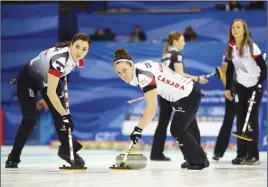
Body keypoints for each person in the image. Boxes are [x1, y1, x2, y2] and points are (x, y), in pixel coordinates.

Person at [113, 48, 209, 170]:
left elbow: (152, 108)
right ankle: (192, 158)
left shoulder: (143, 75)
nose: (123, 75)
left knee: (177, 129)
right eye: (119, 73)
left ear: (131, 65)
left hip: (188, 95)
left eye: (124, 70)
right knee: (187, 128)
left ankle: (200, 161)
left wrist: (138, 129)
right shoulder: (140, 69)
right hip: (178, 96)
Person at [5, 33, 91, 168]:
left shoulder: (79, 60)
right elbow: (51, 92)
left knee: (61, 116)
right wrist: (65, 115)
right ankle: (14, 156)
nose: (80, 52)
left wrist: (62, 114)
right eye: (77, 47)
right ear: (71, 45)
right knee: (30, 120)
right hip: (29, 80)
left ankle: (66, 150)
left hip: (49, 80)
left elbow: (60, 76)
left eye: (84, 49)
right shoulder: (59, 60)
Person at [150, 31, 208, 167]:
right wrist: (198, 79)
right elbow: (179, 74)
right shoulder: (177, 55)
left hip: (164, 92)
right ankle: (195, 156)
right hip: (176, 93)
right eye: (182, 40)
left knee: (163, 123)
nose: (184, 43)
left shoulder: (165, 55)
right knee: (190, 123)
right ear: (175, 41)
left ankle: (156, 153)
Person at [225, 19, 267, 165]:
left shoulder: (251, 46)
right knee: (241, 120)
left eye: (238, 27)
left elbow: (264, 68)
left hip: (254, 86)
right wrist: (228, 89)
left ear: (244, 30)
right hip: (240, 86)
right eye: (233, 27)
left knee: (251, 120)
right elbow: (230, 70)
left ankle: (253, 155)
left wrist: (258, 85)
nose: (235, 29)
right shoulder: (231, 47)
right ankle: (241, 154)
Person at [212, 56, 236, 161]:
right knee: (228, 119)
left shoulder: (250, 50)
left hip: (245, 89)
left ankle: (245, 153)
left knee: (245, 121)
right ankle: (218, 151)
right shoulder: (228, 53)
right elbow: (224, 74)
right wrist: (229, 88)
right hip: (231, 91)